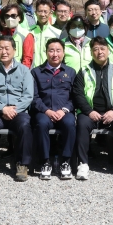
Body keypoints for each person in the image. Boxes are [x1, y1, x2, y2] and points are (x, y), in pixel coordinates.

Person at [71, 37, 113, 181]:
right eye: (96, 49)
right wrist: (89, 111)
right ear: (91, 52)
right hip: (90, 112)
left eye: (102, 48)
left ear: (108, 51)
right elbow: (78, 94)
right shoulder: (84, 71)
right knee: (81, 124)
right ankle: (83, 163)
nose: (100, 52)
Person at [0, 36, 34, 181]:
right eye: (0, 48)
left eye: (7, 48)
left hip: (18, 111)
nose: (4, 52)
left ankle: (22, 163)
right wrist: (3, 108)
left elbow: (28, 95)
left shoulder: (24, 70)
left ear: (14, 50)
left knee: (25, 125)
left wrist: (13, 110)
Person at [31, 39, 76, 180]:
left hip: (64, 112)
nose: (55, 54)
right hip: (44, 112)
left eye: (58, 50)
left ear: (63, 53)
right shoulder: (36, 72)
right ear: (46, 52)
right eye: (51, 50)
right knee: (42, 124)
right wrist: (47, 111)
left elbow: (75, 97)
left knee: (70, 124)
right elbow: (33, 97)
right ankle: (45, 161)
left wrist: (64, 110)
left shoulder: (71, 72)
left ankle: (66, 161)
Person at [0, 3, 34, 67]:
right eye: (7, 16)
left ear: (19, 18)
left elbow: (27, 59)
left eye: (13, 16)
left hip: (20, 73)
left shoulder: (26, 35)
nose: (10, 19)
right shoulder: (2, 35)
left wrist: (21, 74)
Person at [30, 0, 62, 66]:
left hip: (50, 72)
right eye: (40, 11)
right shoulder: (28, 32)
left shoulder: (58, 34)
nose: (42, 14)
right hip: (32, 72)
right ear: (35, 13)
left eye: (45, 11)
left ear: (50, 13)